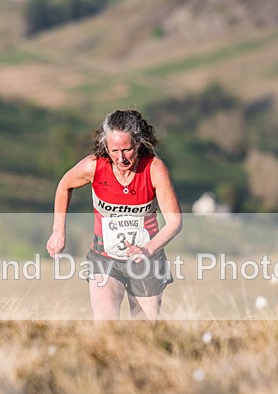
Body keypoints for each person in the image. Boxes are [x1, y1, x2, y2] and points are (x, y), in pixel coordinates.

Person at [46, 110, 182, 320]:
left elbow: (174, 222)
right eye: (114, 150)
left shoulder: (154, 169)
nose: (121, 158)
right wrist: (58, 231)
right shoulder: (94, 166)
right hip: (104, 258)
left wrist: (147, 249)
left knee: (144, 331)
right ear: (105, 146)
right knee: (106, 322)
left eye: (127, 149)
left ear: (138, 143)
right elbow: (64, 185)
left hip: (146, 260)